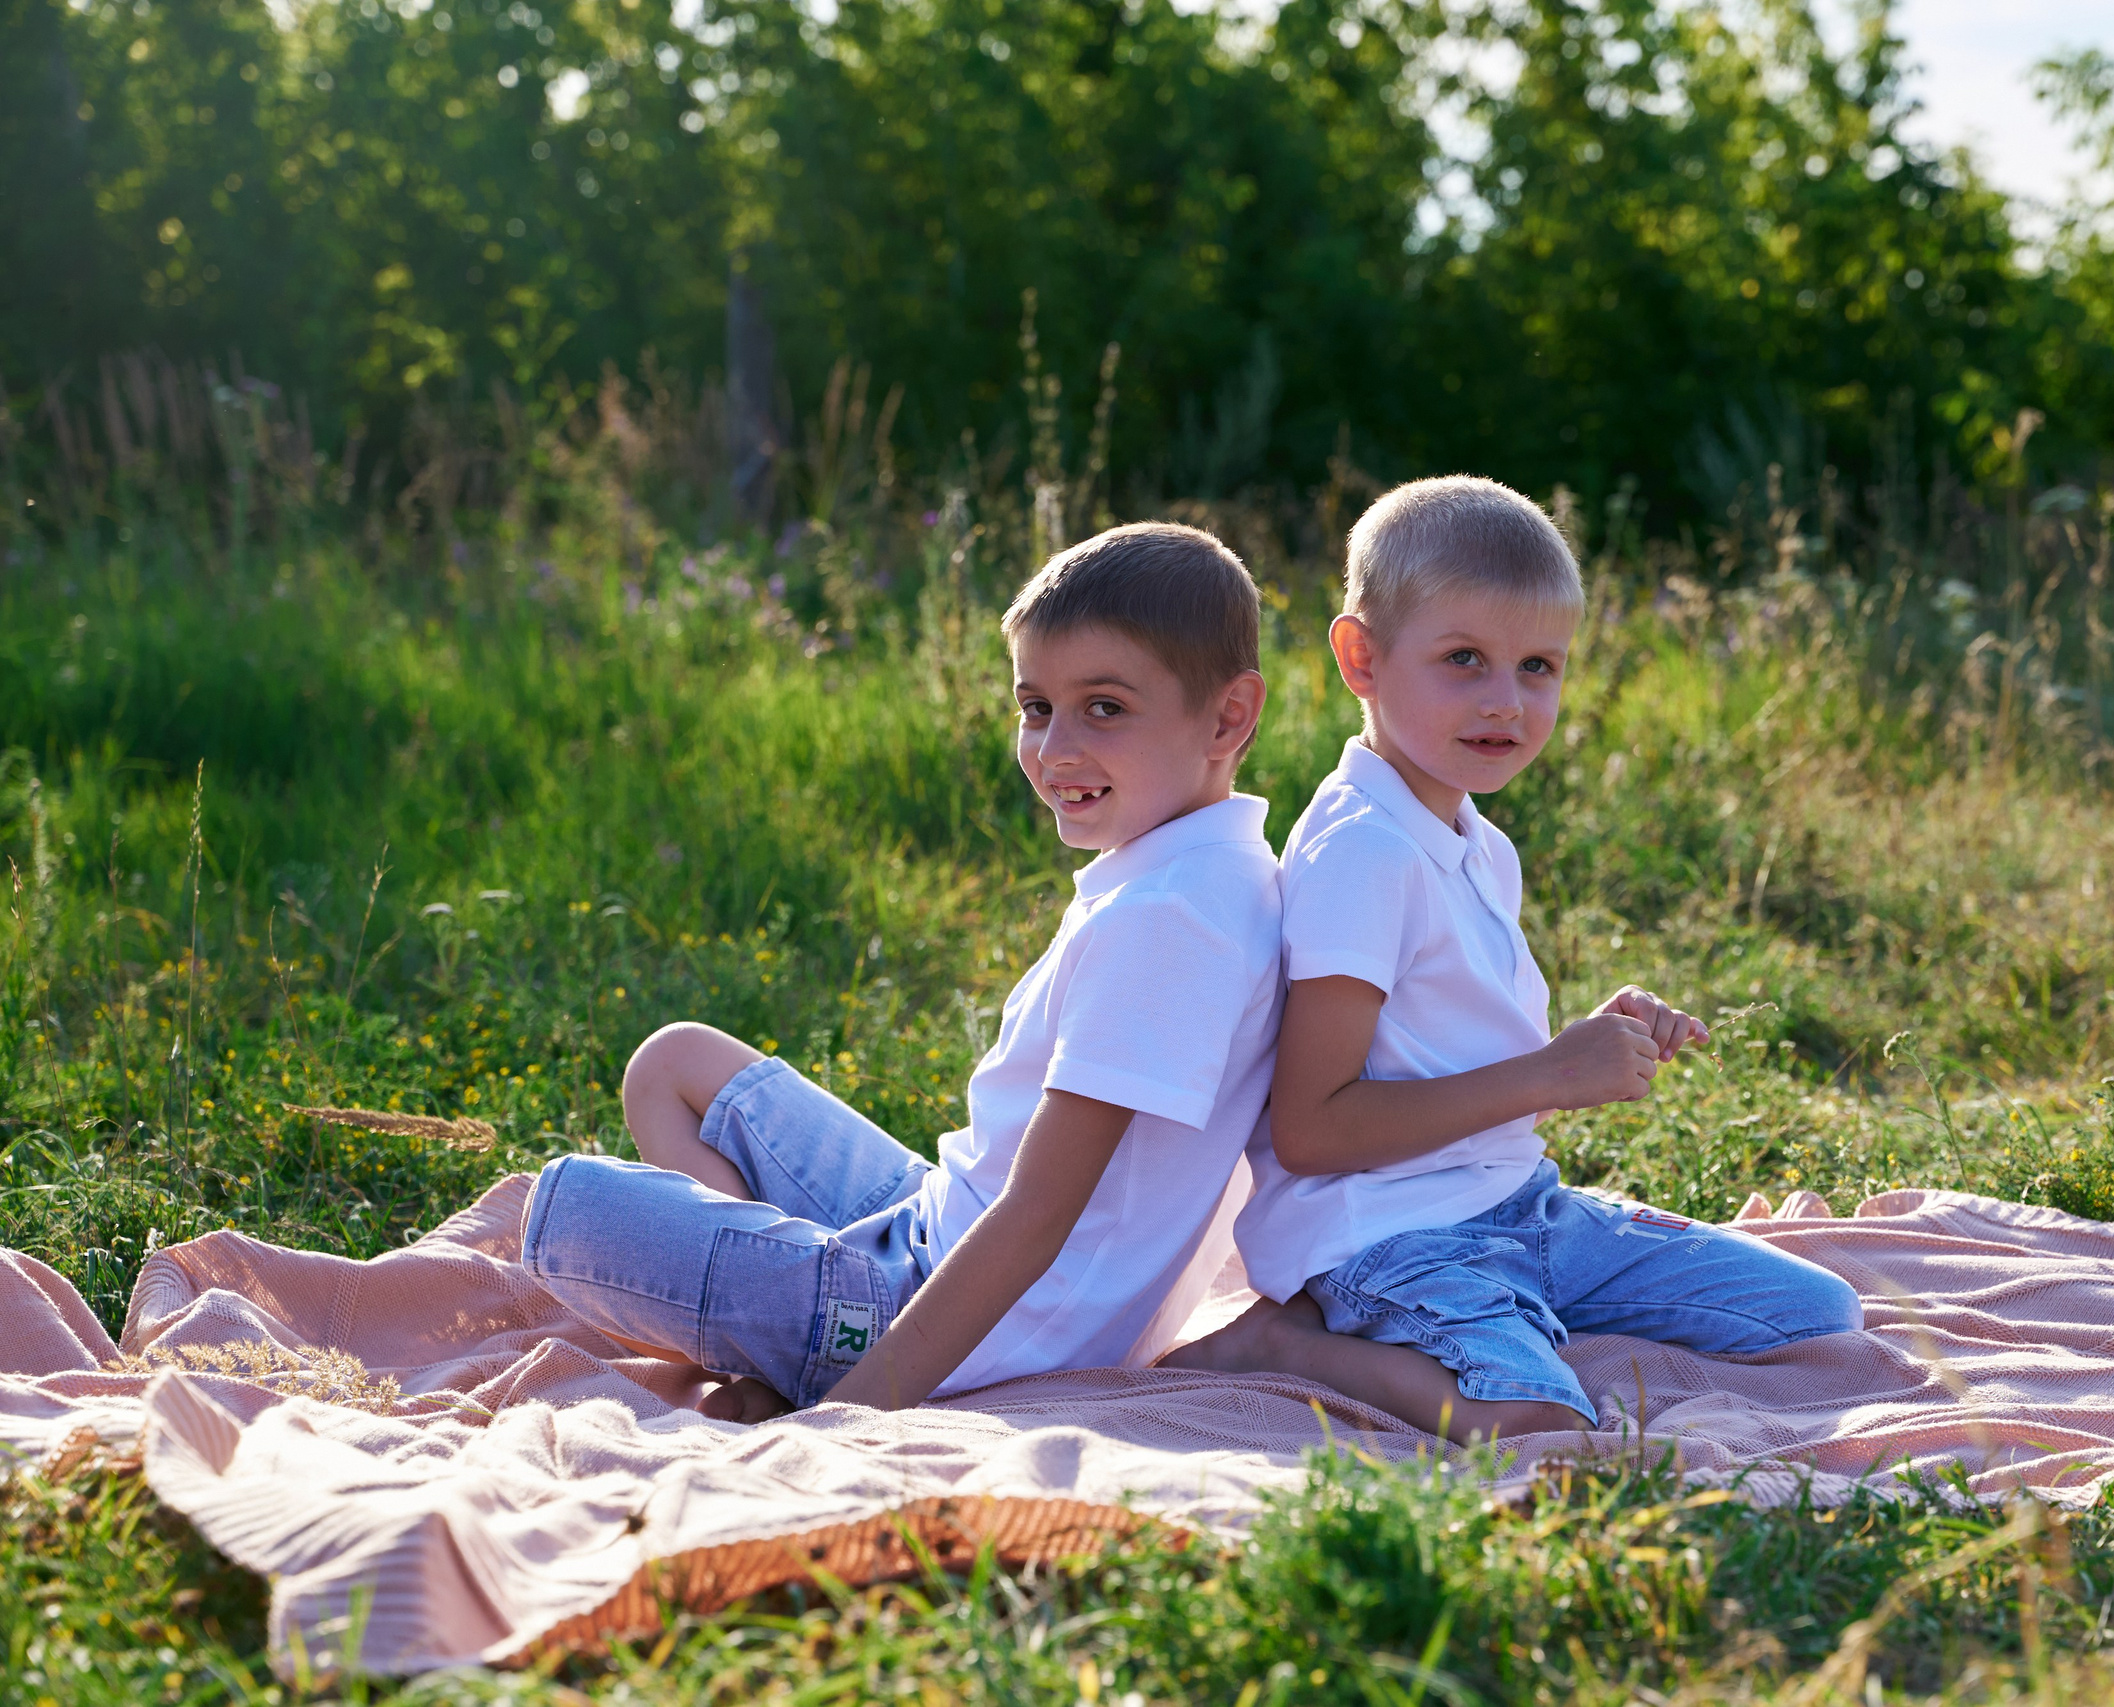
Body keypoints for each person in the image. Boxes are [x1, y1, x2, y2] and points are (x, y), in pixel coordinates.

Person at [524, 522, 1282, 1422]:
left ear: (1229, 717)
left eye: (1105, 707)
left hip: (962, 1321)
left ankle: (799, 1347)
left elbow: (1036, 1216)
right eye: (1036, 707)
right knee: (675, 1062)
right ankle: (777, 1319)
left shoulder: (1173, 919)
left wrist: (848, 1416)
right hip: (935, 1218)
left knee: (564, 1210)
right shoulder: (1204, 867)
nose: (1055, 749)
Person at [1163, 476, 1861, 1440]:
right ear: (1361, 657)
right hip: (1388, 1235)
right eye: (1464, 659)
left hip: (1517, 1205)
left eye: (1538, 665)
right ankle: (1284, 1341)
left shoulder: (1471, 835)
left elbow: (1445, 1040)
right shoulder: (1361, 852)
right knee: (1534, 1416)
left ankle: (1486, 1306)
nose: (1507, 701)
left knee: (1818, 1316)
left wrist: (1587, 1042)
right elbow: (1312, 1130)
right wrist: (1551, 1074)